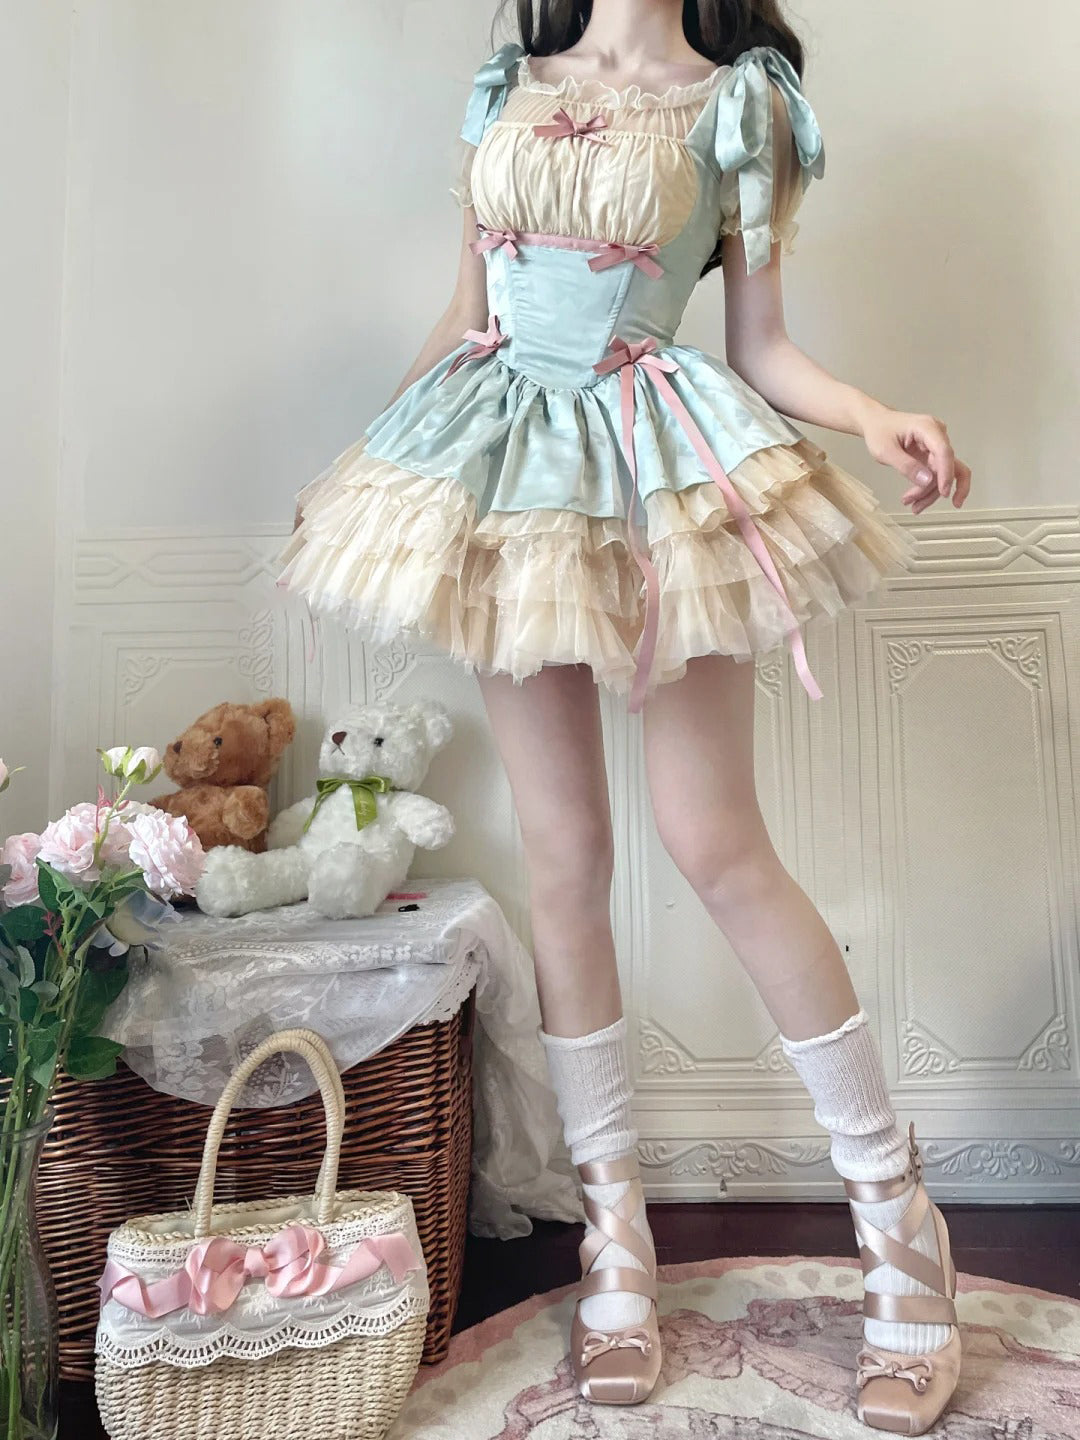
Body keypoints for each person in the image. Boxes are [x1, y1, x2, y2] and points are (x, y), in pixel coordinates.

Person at [279, 1, 972, 1429]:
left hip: (660, 464)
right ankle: (614, 1238)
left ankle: (899, 1217)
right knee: (563, 857)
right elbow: (464, 314)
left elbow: (762, 344)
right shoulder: (504, 86)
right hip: (495, 466)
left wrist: (871, 412)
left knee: (715, 842)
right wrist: (363, 464)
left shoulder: (740, 101)